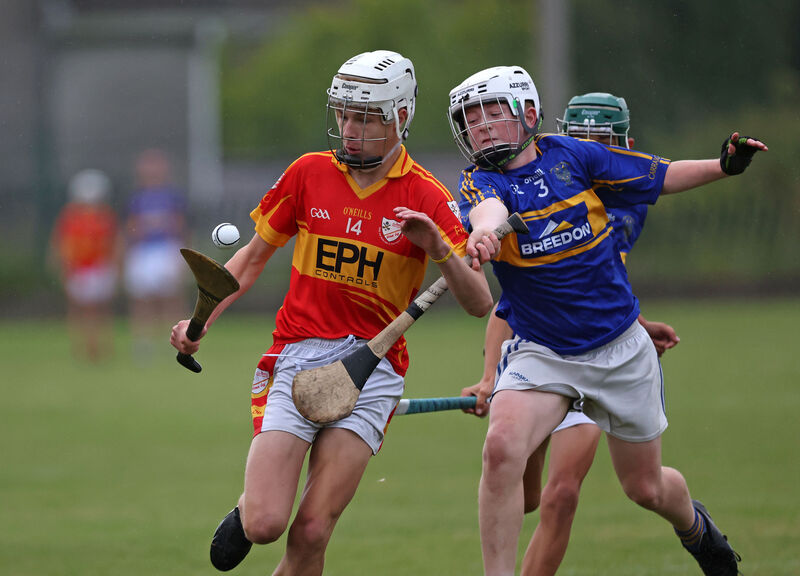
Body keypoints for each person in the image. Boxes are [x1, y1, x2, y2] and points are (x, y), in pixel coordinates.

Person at [170, 50, 492, 575]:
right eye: (344, 114)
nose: (349, 129)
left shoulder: (427, 196)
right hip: (298, 355)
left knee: (313, 531)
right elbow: (251, 260)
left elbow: (479, 303)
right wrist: (200, 322)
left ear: (401, 117)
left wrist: (437, 246)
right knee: (265, 524)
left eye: (365, 118)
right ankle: (251, 504)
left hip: (373, 368)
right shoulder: (308, 173)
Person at [447, 65, 766, 575]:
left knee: (646, 488)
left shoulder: (574, 156)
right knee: (502, 449)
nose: (479, 126)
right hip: (544, 353)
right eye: (470, 118)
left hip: (619, 349)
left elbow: (661, 174)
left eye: (491, 112)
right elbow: (487, 210)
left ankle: (697, 528)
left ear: (528, 113)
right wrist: (483, 231)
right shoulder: (478, 181)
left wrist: (723, 166)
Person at [460, 92, 680, 576]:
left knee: (563, 494)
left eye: (602, 140)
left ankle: (696, 528)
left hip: (608, 351)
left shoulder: (627, 201)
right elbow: (511, 302)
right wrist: (490, 375)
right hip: (544, 351)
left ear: (624, 146)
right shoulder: (543, 184)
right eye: (581, 138)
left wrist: (639, 325)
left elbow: (600, 283)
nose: (591, 148)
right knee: (527, 494)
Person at [123, 148, 188, 360]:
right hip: (144, 251)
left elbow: (181, 225)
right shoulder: (136, 199)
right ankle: (144, 343)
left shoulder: (173, 196)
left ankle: (178, 342)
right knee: (142, 300)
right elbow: (130, 227)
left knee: (171, 298)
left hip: (167, 249)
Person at [50, 169, 119, 362]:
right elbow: (61, 243)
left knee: (98, 309)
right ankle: (82, 347)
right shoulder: (70, 217)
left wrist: (113, 267)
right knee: (80, 309)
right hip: (79, 270)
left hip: (98, 268)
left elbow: (113, 243)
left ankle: (99, 347)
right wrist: (62, 267)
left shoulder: (105, 217)